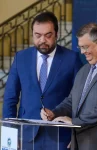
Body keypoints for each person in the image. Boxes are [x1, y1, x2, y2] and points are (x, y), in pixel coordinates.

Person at [2, 11, 82, 150]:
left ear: (57, 34)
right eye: (37, 35)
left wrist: (77, 132)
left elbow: (81, 97)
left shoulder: (71, 59)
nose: (42, 40)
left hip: (61, 136)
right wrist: (10, 133)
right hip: (26, 134)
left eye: (48, 35)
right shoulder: (21, 58)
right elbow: (10, 97)